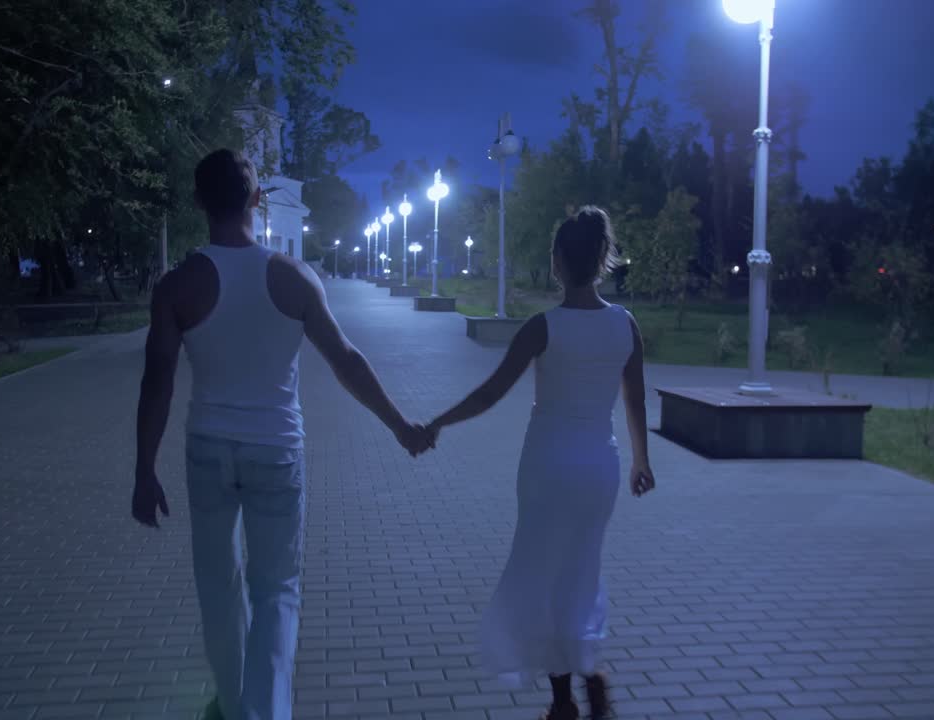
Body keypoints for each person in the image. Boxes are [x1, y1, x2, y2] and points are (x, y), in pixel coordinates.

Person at [132, 148, 433, 720]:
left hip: (208, 451)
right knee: (276, 591)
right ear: (256, 198)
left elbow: (157, 385)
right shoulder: (292, 277)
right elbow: (346, 360)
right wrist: (400, 427)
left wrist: (144, 471)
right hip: (277, 452)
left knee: (218, 586)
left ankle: (235, 703)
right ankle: (264, 711)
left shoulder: (178, 286)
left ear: (198, 202)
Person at [421, 206, 655, 720]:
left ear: (556, 263)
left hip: (548, 465)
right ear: (601, 260)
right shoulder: (625, 324)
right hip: (600, 467)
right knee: (581, 571)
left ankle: (562, 701)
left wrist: (437, 423)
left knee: (545, 574)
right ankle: (591, 675)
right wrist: (642, 460)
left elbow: (489, 394)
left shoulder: (542, 328)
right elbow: (635, 399)